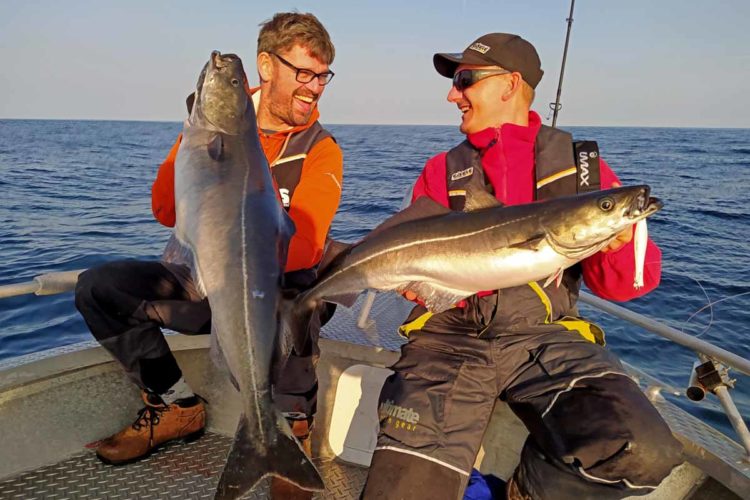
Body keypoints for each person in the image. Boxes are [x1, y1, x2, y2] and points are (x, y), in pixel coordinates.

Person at [361, 33, 682, 500]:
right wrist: (415, 286)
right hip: (450, 336)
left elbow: (625, 287)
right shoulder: (440, 171)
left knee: (642, 449)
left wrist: (618, 242)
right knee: (403, 490)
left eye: (465, 80)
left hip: (544, 335)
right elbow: (415, 261)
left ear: (510, 85)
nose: (453, 94)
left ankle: (522, 492)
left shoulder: (582, 172)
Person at [75, 12, 342, 498]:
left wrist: (242, 242)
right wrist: (193, 139)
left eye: (322, 75)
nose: (315, 87)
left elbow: (306, 244)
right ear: (266, 66)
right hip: (204, 283)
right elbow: (163, 209)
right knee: (100, 287)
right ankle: (177, 404)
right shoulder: (211, 135)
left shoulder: (320, 149)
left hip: (274, 298)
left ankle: (287, 432)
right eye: (304, 73)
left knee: (303, 304)